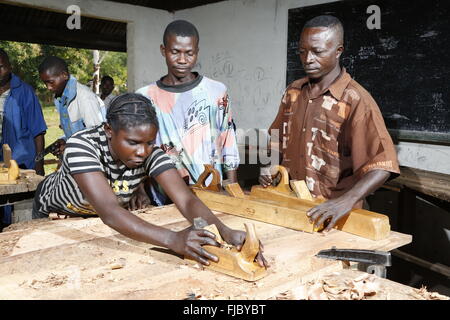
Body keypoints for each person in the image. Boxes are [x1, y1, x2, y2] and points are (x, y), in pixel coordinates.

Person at [31, 93, 267, 267]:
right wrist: (172, 238)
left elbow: (185, 200)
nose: (143, 152)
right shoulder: (81, 146)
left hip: (95, 216)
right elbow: (111, 213)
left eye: (149, 142)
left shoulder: (150, 153)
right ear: (108, 130)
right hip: (55, 213)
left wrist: (223, 231)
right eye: (133, 142)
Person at [260, 15, 400, 232]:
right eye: (302, 51)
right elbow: (277, 137)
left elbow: (382, 166)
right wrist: (269, 164)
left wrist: (345, 201)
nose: (308, 59)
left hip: (334, 216)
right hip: (292, 206)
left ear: (338, 51)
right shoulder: (293, 92)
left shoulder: (355, 100)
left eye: (318, 52)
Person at [136, 20, 240, 193]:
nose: (182, 60)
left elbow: (227, 137)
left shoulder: (216, 91)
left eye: (189, 53)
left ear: (197, 52)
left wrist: (233, 186)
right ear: (163, 50)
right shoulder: (145, 96)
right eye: (175, 52)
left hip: (211, 188)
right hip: (163, 193)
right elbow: (138, 148)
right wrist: (139, 189)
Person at [0, 48, 47, 229]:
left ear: (10, 67)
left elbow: (38, 131)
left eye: (2, 67)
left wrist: (39, 164)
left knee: (22, 217)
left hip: (22, 165)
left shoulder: (24, 92)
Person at [38, 56, 106, 157]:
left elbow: (98, 137)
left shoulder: (85, 97)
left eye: (51, 82)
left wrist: (69, 147)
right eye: (45, 83)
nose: (48, 87)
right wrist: (64, 140)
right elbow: (78, 132)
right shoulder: (60, 98)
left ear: (64, 75)